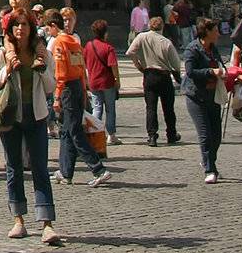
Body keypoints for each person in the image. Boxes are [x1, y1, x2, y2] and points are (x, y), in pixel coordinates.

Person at [0, 11, 61, 245]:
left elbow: (50, 86)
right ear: (10, 30)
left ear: (31, 28)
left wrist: (41, 70)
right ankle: (18, 220)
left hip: (37, 115)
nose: (20, 28)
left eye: (24, 24)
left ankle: (47, 223)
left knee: (40, 168)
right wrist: (7, 70)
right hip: (11, 115)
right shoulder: (2, 54)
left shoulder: (43, 55)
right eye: (16, 25)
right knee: (13, 167)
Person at [44, 9, 110, 187]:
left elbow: (61, 72)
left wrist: (57, 96)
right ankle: (66, 172)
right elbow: (81, 69)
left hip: (66, 89)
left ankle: (99, 169)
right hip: (77, 87)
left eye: (47, 29)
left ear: (52, 26)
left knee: (74, 132)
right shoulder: (73, 40)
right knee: (66, 131)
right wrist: (83, 90)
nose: (47, 32)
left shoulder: (59, 42)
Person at [182, 17, 224, 181]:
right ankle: (210, 170)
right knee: (205, 134)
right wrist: (211, 72)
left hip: (213, 95)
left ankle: (208, 161)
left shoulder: (213, 48)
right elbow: (191, 72)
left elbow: (219, 64)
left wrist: (224, 72)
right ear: (206, 32)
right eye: (215, 31)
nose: (218, 34)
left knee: (217, 135)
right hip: (196, 96)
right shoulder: (192, 49)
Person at [129, 14, 182, 146]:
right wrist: (177, 75)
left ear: (149, 26)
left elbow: (130, 52)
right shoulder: (166, 42)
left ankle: (152, 136)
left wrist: (138, 65)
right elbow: (176, 64)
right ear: (162, 27)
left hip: (149, 75)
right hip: (164, 75)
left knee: (151, 107)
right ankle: (171, 134)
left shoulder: (142, 37)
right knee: (168, 107)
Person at [83, 19, 120, 143]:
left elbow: (83, 63)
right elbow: (113, 65)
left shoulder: (88, 46)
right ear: (105, 33)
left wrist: (86, 79)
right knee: (110, 109)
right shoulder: (108, 47)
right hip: (107, 82)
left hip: (93, 81)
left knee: (97, 108)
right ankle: (111, 135)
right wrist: (117, 80)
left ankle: (94, 133)